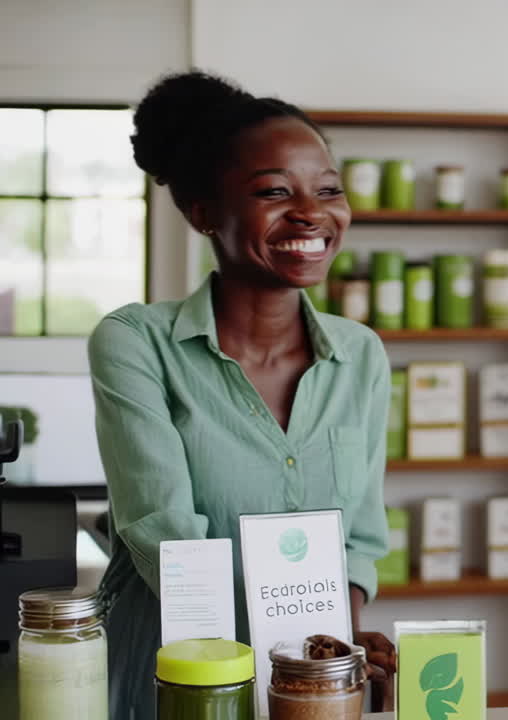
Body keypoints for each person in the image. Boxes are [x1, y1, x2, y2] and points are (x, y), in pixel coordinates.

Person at [89, 71, 396, 719]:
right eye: (274, 191)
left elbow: (360, 535)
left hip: (311, 684)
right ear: (203, 212)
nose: (311, 212)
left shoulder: (359, 353)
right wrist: (281, 651)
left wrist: (336, 644)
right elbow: (164, 532)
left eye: (329, 190)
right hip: (175, 678)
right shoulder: (136, 342)